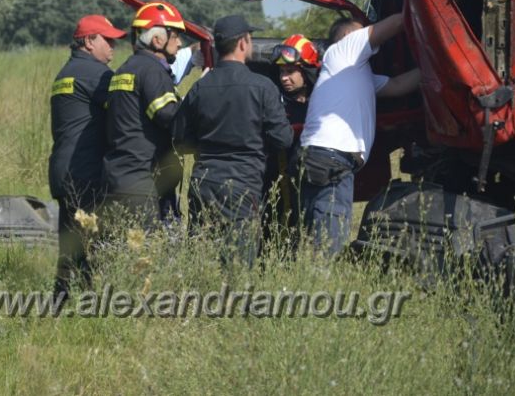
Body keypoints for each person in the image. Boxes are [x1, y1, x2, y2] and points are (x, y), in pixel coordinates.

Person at [173, 14, 293, 266]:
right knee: (238, 264)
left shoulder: (199, 87)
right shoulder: (263, 86)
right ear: (242, 43)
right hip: (242, 184)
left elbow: (180, 140)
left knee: (203, 260)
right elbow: (283, 139)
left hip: (202, 183)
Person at [297, 13, 421, 256]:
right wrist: (423, 10)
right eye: (362, 29)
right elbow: (396, 23)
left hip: (324, 156)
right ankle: (324, 286)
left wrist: (432, 66)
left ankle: (312, 276)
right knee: (330, 237)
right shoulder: (343, 50)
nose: (368, 33)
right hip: (332, 157)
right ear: (347, 36)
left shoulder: (355, 72)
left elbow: (397, 86)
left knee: (319, 230)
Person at [48, 14, 127, 297]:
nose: (113, 48)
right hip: (85, 171)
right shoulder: (95, 74)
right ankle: (92, 305)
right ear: (90, 41)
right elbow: (127, 105)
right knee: (95, 248)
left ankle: (60, 307)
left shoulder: (66, 73)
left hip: (64, 169)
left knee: (71, 248)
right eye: (108, 40)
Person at [102, 1, 186, 227]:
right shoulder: (152, 71)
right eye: (175, 35)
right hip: (142, 182)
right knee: (146, 255)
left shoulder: (124, 70)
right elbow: (168, 116)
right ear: (158, 40)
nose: (179, 43)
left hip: (116, 178)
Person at [263, 35, 321, 247]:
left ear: (307, 72)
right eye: (281, 72)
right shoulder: (273, 104)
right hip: (274, 184)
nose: (284, 78)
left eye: (290, 71)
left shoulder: (322, 103)